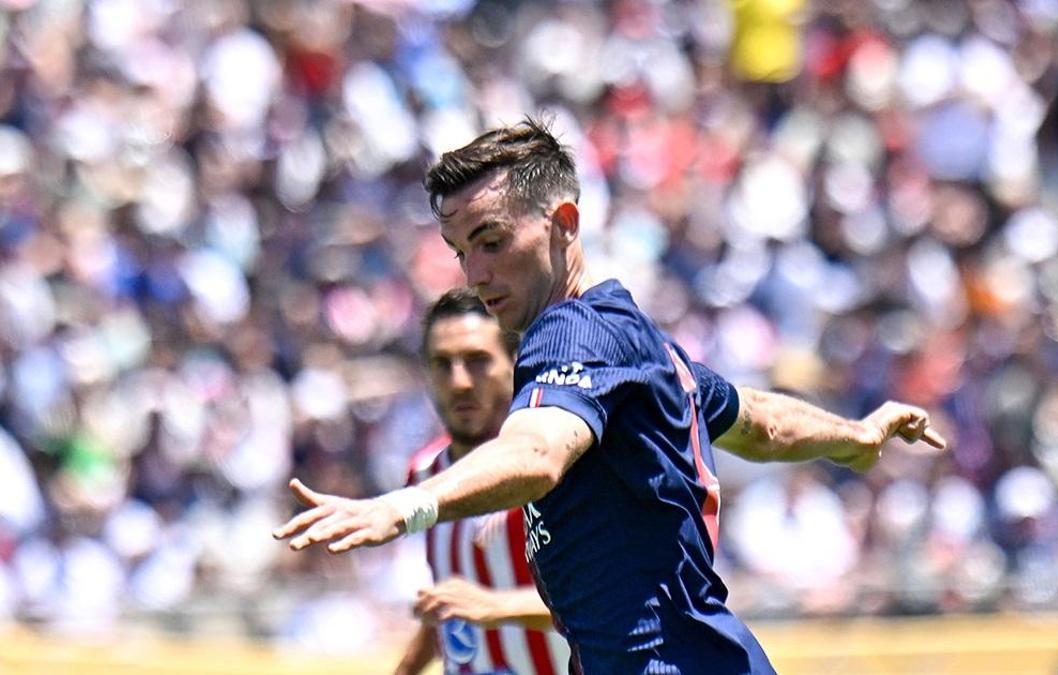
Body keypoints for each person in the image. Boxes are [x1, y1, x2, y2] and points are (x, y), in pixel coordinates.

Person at [275, 118, 945, 674]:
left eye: (492, 241)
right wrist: (857, 436)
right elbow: (761, 422)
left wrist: (404, 507)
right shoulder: (638, 341)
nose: (475, 273)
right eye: (460, 251)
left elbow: (538, 453)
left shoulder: (570, 334)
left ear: (563, 221)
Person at [394, 289, 570, 675]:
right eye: (443, 364)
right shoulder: (425, 475)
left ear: (515, 364)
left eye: (477, 361)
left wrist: (495, 605)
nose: (459, 382)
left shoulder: (557, 468)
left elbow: (607, 597)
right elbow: (452, 603)